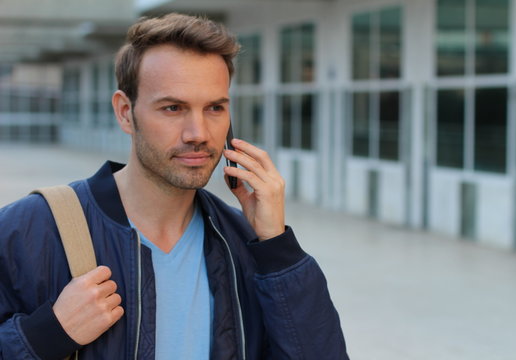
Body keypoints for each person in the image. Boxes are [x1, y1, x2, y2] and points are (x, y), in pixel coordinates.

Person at [0, 13, 348, 360]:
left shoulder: (247, 246)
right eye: (173, 108)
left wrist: (277, 249)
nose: (197, 133)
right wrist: (44, 336)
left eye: (214, 108)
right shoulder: (28, 230)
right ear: (125, 112)